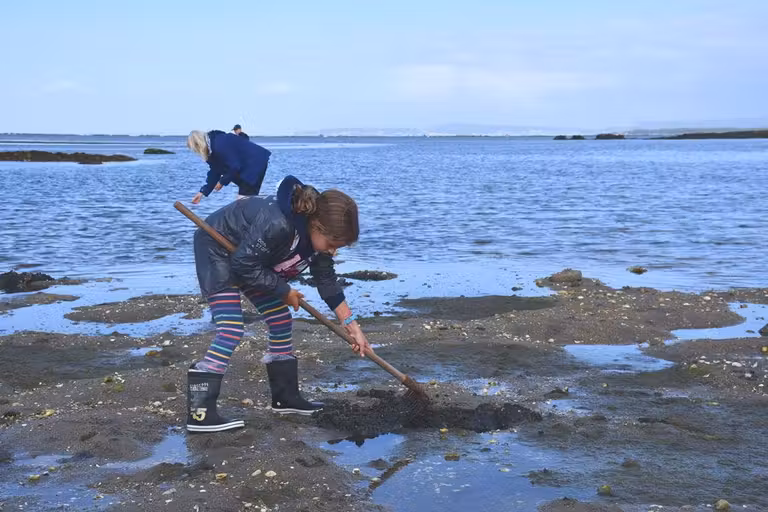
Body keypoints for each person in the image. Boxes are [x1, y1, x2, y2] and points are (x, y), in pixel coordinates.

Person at [187, 175, 372, 433]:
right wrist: (284, 290)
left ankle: (285, 398)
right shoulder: (279, 224)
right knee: (231, 328)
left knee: (281, 319)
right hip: (217, 250)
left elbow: (326, 280)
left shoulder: (315, 239)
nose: (333, 251)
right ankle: (200, 413)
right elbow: (243, 264)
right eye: (331, 245)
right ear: (316, 226)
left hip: (251, 259)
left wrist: (351, 323)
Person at [187, 129, 270, 203]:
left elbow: (235, 166)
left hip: (254, 162)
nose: (197, 152)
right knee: (246, 198)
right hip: (248, 164)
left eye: (195, 149)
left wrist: (222, 182)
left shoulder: (219, 144)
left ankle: (255, 214)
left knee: (243, 199)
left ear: (199, 144)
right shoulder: (211, 150)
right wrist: (203, 192)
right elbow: (214, 171)